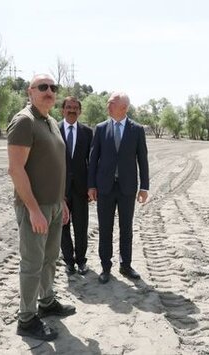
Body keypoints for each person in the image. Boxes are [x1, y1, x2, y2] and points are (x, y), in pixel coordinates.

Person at [7, 74, 76, 341]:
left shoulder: (50, 122)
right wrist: (34, 209)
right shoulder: (25, 121)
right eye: (43, 87)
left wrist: (61, 201)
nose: (49, 91)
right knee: (32, 263)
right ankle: (26, 319)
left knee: (49, 259)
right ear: (30, 91)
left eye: (53, 88)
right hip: (34, 207)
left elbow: (53, 165)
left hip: (54, 205)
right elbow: (15, 169)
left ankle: (47, 302)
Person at [88, 92, 149, 284]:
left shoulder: (137, 130)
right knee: (105, 228)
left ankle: (126, 265)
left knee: (126, 228)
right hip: (104, 187)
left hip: (127, 188)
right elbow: (93, 159)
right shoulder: (100, 128)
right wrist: (91, 185)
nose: (107, 105)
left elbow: (142, 159)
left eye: (111, 103)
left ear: (123, 107)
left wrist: (144, 187)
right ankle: (106, 267)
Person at [58, 97, 93, 275]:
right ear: (62, 110)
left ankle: (81, 261)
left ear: (80, 111)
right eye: (68, 107)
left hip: (81, 189)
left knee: (81, 226)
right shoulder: (53, 130)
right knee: (63, 226)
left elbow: (92, 162)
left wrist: (92, 186)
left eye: (75, 108)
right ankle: (69, 261)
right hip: (59, 189)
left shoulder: (88, 132)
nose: (72, 110)